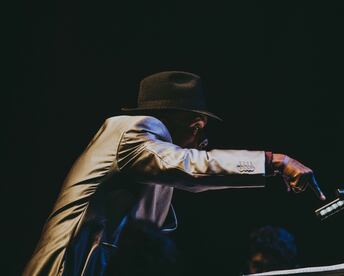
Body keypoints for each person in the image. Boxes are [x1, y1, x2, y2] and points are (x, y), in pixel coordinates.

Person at [23, 71, 325, 276]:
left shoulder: (150, 156)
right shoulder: (132, 130)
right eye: (199, 123)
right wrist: (274, 161)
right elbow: (192, 168)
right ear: (190, 122)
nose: (202, 132)